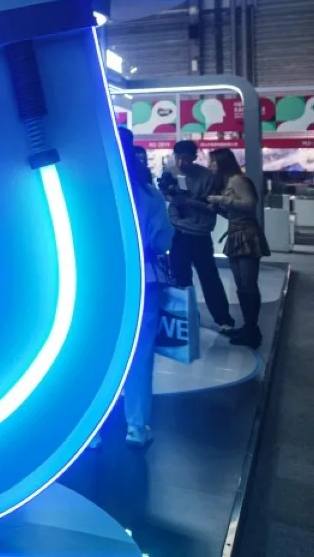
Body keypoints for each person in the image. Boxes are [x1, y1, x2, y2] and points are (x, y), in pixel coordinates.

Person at [119, 127, 173, 448]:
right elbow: (161, 240)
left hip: (102, 285)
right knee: (140, 356)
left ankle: (93, 431)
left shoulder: (91, 189)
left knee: (101, 353)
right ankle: (136, 427)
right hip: (145, 280)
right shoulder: (148, 193)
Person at [163, 140, 234, 332]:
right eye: (178, 157)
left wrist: (189, 202)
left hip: (200, 234)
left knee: (209, 277)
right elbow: (168, 196)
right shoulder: (171, 172)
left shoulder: (207, 177)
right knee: (180, 278)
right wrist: (172, 197)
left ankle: (223, 319)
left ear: (195, 156)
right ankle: (188, 318)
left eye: (186, 158)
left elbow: (212, 205)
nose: (181, 162)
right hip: (179, 232)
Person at [206, 148, 268, 349]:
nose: (210, 166)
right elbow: (236, 210)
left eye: (213, 162)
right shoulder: (230, 181)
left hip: (246, 234)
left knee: (247, 284)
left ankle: (252, 328)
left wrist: (220, 200)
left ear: (222, 163)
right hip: (237, 232)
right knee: (242, 285)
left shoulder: (237, 180)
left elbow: (250, 205)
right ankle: (249, 326)